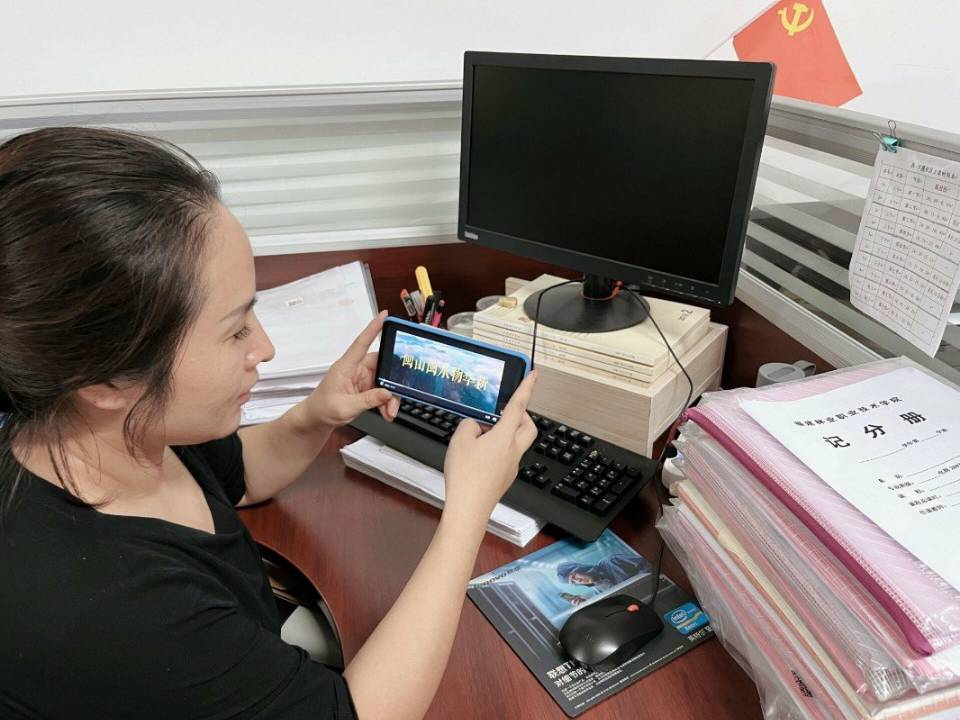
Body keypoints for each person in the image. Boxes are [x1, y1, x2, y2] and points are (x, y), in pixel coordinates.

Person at [0, 126, 539, 719]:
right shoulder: (116, 611)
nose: (265, 349)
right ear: (106, 380)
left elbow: (241, 475)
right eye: (235, 330)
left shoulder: (121, 432)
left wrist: (314, 414)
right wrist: (468, 510)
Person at [556, 553, 652, 606]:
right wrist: (590, 602)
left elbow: (649, 566)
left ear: (579, 569)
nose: (578, 581)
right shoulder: (598, 592)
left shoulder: (612, 561)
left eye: (574, 576)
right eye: (573, 582)